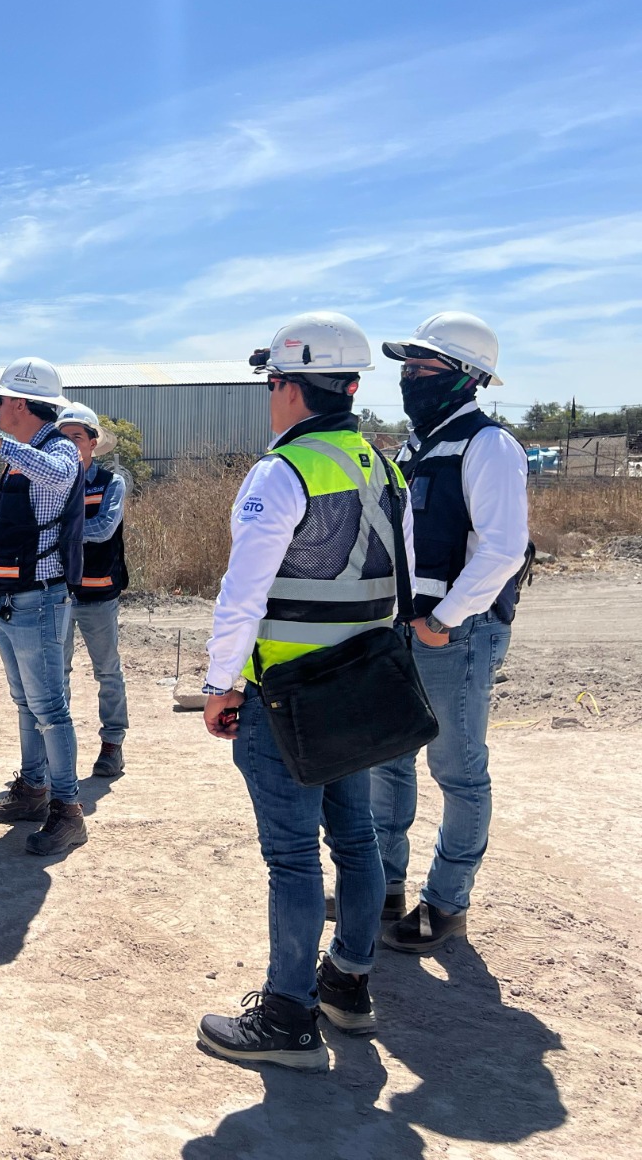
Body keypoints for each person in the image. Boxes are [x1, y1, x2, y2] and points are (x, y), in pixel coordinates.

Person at [196, 311, 414, 1071]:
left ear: (290, 387)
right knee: (356, 841)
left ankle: (288, 1017)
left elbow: (242, 594)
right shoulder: (381, 465)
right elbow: (398, 583)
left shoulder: (283, 471)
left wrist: (221, 684)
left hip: (287, 694)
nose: (270, 396)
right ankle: (348, 986)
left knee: (292, 858)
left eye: (272, 383)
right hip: (358, 688)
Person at [368, 312, 529, 953]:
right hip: (407, 631)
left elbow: (503, 549)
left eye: (423, 367)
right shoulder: (415, 447)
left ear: (467, 377)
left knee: (457, 772)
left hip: (454, 634)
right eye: (407, 367)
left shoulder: (488, 446)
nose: (410, 377)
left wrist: (443, 620)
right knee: (388, 761)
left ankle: (446, 902)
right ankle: (382, 888)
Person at [0, 357, 87, 856]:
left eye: (2, 400)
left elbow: (60, 476)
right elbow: (12, 531)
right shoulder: (24, 454)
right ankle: (33, 790)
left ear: (22, 404)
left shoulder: (59, 449)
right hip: (13, 597)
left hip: (40, 600)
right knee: (27, 703)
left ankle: (67, 811)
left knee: (49, 708)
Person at [55, 402, 130, 778]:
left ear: (92, 442)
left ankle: (112, 744)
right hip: (56, 594)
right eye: (63, 438)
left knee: (107, 671)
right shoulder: (50, 483)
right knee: (57, 675)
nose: (70, 444)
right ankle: (58, 749)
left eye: (77, 437)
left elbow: (103, 529)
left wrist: (57, 531)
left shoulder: (110, 483)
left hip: (98, 594)